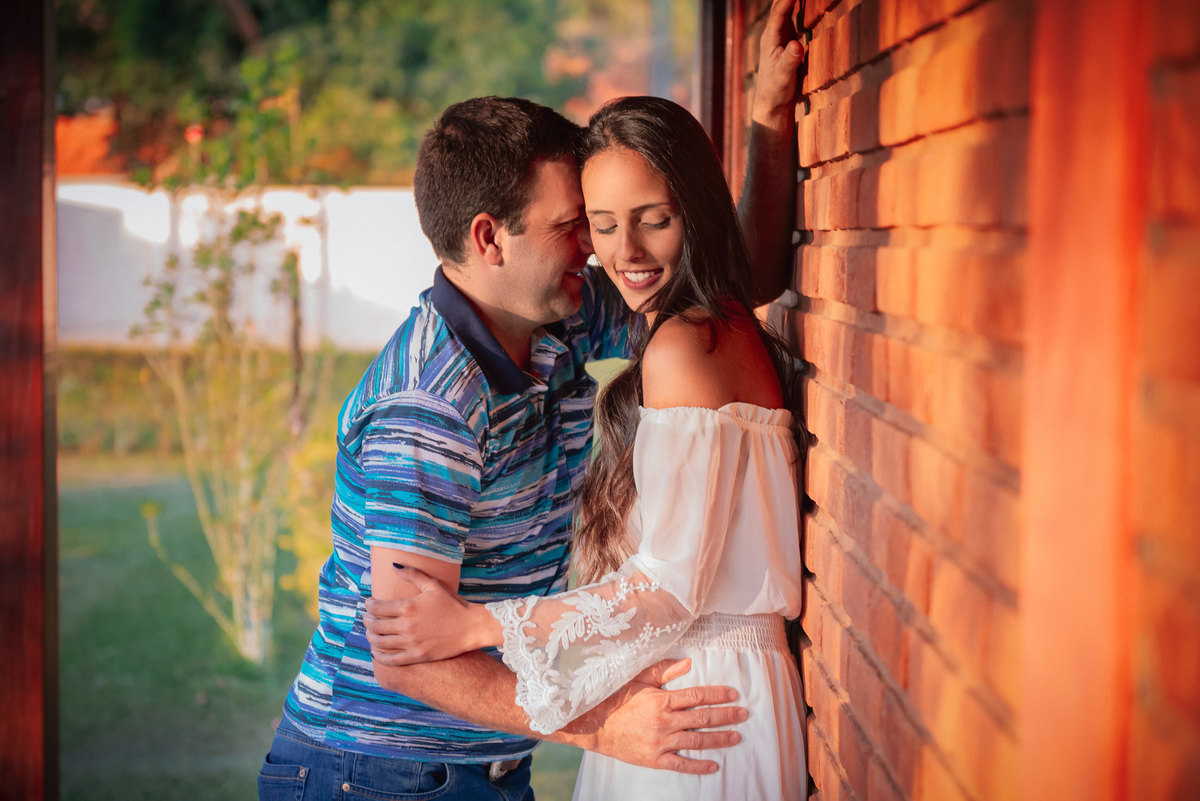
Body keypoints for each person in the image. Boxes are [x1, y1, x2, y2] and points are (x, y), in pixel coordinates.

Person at [257, 3, 804, 799]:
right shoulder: (429, 404)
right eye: (574, 225)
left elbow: (724, 285)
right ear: (490, 238)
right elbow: (408, 651)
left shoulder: (561, 313)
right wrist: (603, 727)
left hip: (484, 762)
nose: (599, 247)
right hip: (376, 774)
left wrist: (768, 116)